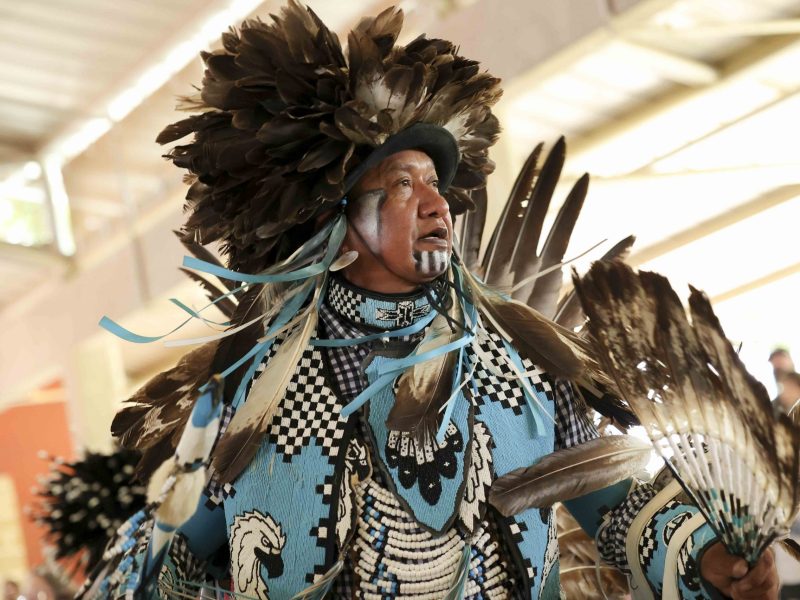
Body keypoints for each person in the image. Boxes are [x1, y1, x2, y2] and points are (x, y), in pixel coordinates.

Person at [80, 3, 781, 598]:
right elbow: (175, 550)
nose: (434, 202)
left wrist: (702, 560)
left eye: (434, 180)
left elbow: (614, 501)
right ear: (335, 223)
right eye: (399, 184)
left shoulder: (525, 372)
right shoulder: (251, 399)